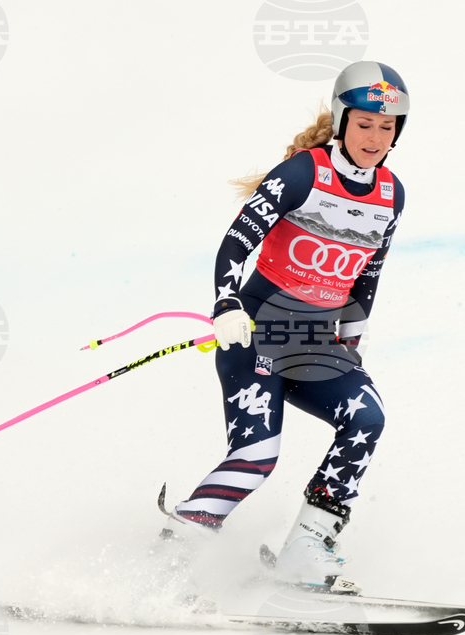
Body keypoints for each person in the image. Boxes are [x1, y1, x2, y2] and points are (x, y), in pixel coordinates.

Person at [161, 61, 409, 595]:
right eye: (364, 123)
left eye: (386, 127)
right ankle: (174, 551)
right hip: (256, 333)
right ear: (343, 121)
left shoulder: (391, 193)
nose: (374, 137)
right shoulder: (302, 173)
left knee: (366, 417)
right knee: (257, 455)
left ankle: (305, 549)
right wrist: (226, 304)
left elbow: (367, 275)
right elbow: (236, 241)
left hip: (316, 343)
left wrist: (351, 341)